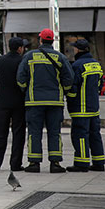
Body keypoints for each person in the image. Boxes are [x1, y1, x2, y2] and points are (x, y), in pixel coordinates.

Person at [16, 28, 73, 174]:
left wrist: (26, 90)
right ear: (52, 41)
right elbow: (69, 78)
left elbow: (20, 78)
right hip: (55, 102)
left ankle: (34, 163)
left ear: (40, 40)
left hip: (34, 102)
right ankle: (55, 163)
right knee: (54, 133)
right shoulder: (60, 57)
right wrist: (64, 91)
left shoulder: (29, 56)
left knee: (34, 133)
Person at [66, 39, 105, 172]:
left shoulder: (77, 65)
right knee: (95, 135)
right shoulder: (96, 64)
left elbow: (73, 87)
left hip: (80, 108)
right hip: (94, 108)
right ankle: (99, 163)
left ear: (77, 49)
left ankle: (81, 163)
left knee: (80, 135)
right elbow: (100, 85)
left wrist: (70, 100)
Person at [0, 36, 28, 172]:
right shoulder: (22, 61)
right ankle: (15, 164)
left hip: (2, 102)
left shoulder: (0, 60)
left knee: (0, 133)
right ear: (20, 48)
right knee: (18, 133)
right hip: (19, 102)